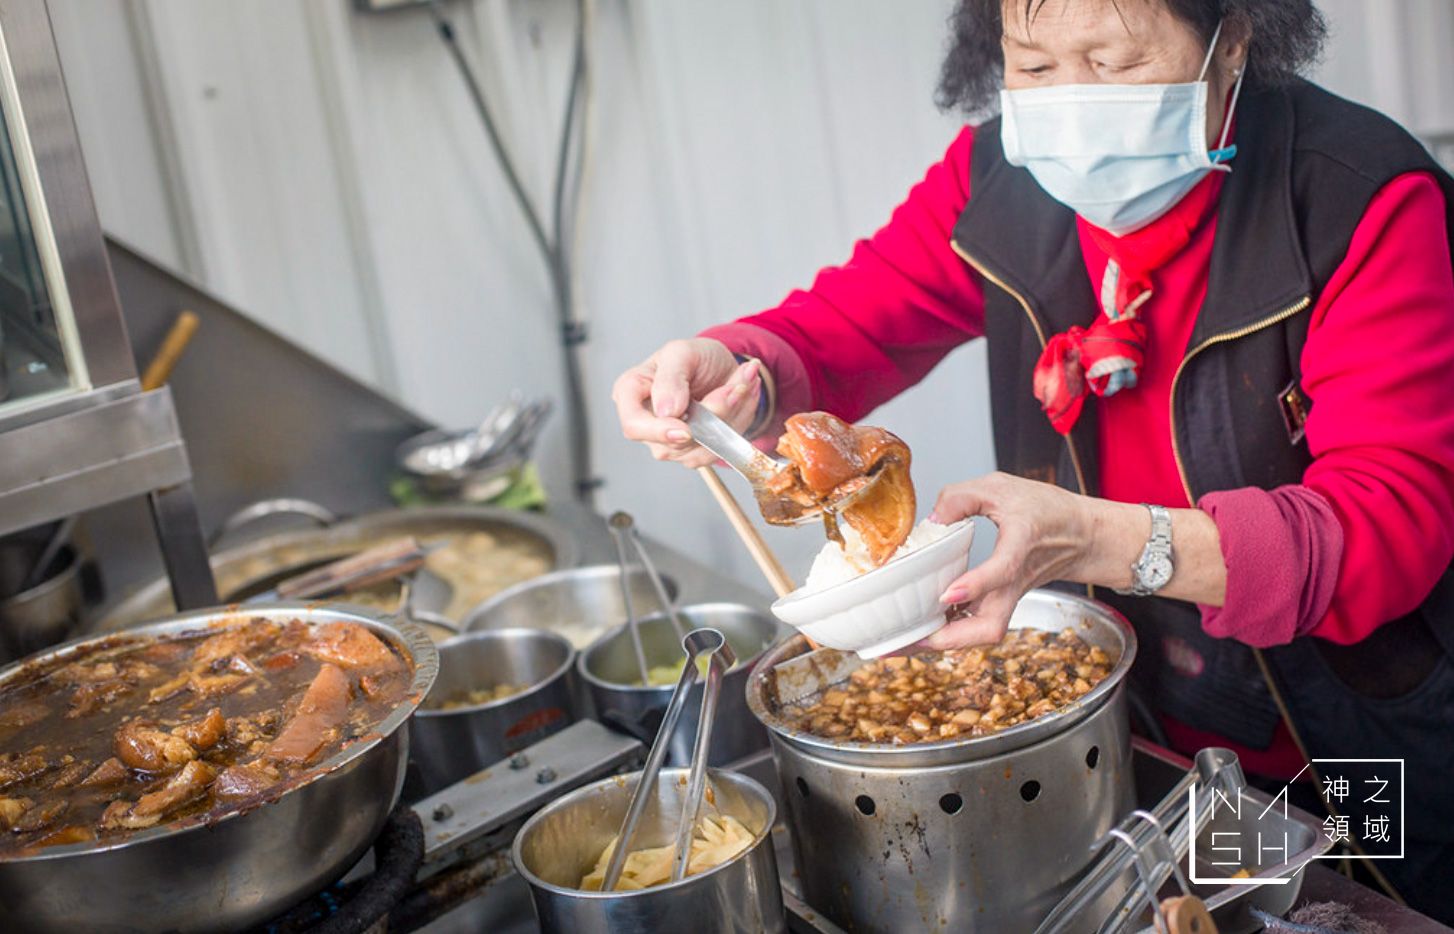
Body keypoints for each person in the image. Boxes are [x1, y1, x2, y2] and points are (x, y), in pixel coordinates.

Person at [613, 0, 1454, 919]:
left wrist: (1100, 541)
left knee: (1353, 907)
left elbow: (1387, 527)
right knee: (1170, 907)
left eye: (1115, 62)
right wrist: (740, 372)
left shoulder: (1357, 196)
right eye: (1036, 67)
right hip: (1137, 731)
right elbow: (849, 325)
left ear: (1233, 41)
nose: (1074, 106)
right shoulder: (997, 180)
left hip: (1349, 745)